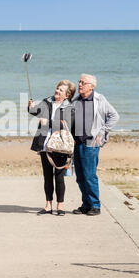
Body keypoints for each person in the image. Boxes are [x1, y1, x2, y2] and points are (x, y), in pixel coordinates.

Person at [72, 74, 119, 216]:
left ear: (91, 86)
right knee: (80, 177)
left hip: (91, 143)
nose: (80, 84)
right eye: (79, 82)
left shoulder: (99, 99)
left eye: (83, 82)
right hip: (77, 143)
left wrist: (103, 132)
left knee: (89, 175)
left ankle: (95, 205)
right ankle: (86, 205)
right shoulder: (75, 101)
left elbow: (114, 116)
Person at [28, 80, 76, 216]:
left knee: (59, 177)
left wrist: (48, 123)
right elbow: (35, 112)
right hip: (44, 144)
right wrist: (31, 107)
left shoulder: (70, 107)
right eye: (57, 88)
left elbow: (66, 124)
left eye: (61, 90)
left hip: (60, 146)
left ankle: (60, 206)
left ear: (67, 95)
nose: (57, 91)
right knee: (47, 176)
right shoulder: (47, 101)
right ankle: (48, 205)